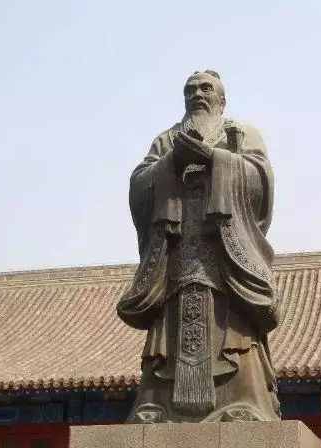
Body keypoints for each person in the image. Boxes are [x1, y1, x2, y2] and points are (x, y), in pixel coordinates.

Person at [116, 70, 280, 423]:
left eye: (206, 88)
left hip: (226, 251)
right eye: (190, 89)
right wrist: (171, 163)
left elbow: (261, 181)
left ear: (222, 99)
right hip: (177, 250)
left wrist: (216, 160)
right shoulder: (166, 141)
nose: (198, 94)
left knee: (234, 330)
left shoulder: (241, 133)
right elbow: (139, 185)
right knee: (170, 328)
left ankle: (244, 401)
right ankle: (157, 406)